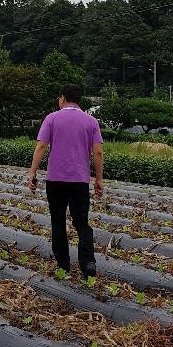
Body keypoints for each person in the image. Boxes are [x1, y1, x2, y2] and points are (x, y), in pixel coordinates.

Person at [27, 83, 103, 279]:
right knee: (82, 223)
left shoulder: (51, 118)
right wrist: (98, 179)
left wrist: (32, 172)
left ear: (62, 98)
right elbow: (98, 152)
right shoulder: (91, 121)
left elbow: (41, 146)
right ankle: (88, 262)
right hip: (80, 181)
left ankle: (63, 266)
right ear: (79, 100)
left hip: (56, 180)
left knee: (58, 221)